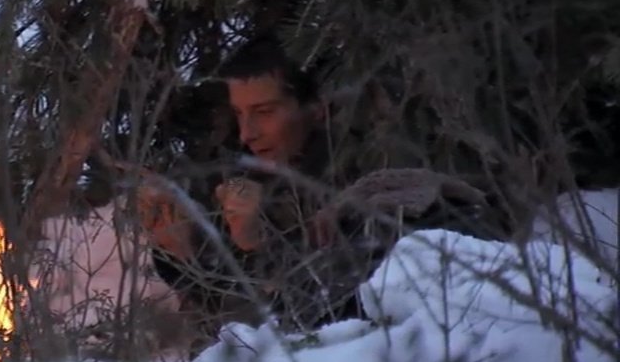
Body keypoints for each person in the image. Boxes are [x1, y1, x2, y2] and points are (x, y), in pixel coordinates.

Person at [136, 36, 498, 342]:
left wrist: (259, 242)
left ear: (317, 109)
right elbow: (232, 337)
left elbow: (317, 320)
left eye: (264, 112)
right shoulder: (252, 180)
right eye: (240, 114)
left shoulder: (372, 168)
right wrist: (182, 255)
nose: (248, 134)